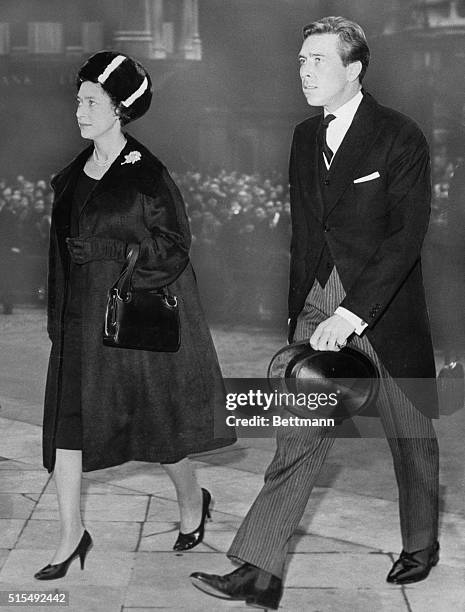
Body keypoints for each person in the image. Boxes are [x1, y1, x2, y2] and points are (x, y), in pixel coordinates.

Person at [190, 16, 439, 609]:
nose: (304, 71)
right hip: (317, 306)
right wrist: (303, 308)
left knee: (412, 439)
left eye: (318, 61)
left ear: (354, 69)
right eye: (300, 61)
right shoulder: (304, 136)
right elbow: (307, 232)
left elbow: (405, 237)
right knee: (299, 437)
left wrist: (352, 313)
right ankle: (259, 569)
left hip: (382, 308)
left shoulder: (400, 136)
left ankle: (422, 546)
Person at [35, 51, 235, 581]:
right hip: (79, 325)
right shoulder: (74, 175)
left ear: (119, 109)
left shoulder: (147, 174)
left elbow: (175, 247)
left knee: (158, 432)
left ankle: (193, 500)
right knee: (66, 432)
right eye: (78, 99)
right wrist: (58, 319)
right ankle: (70, 534)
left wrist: (111, 252)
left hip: (128, 327)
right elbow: (59, 254)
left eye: (91, 101)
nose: (79, 109)